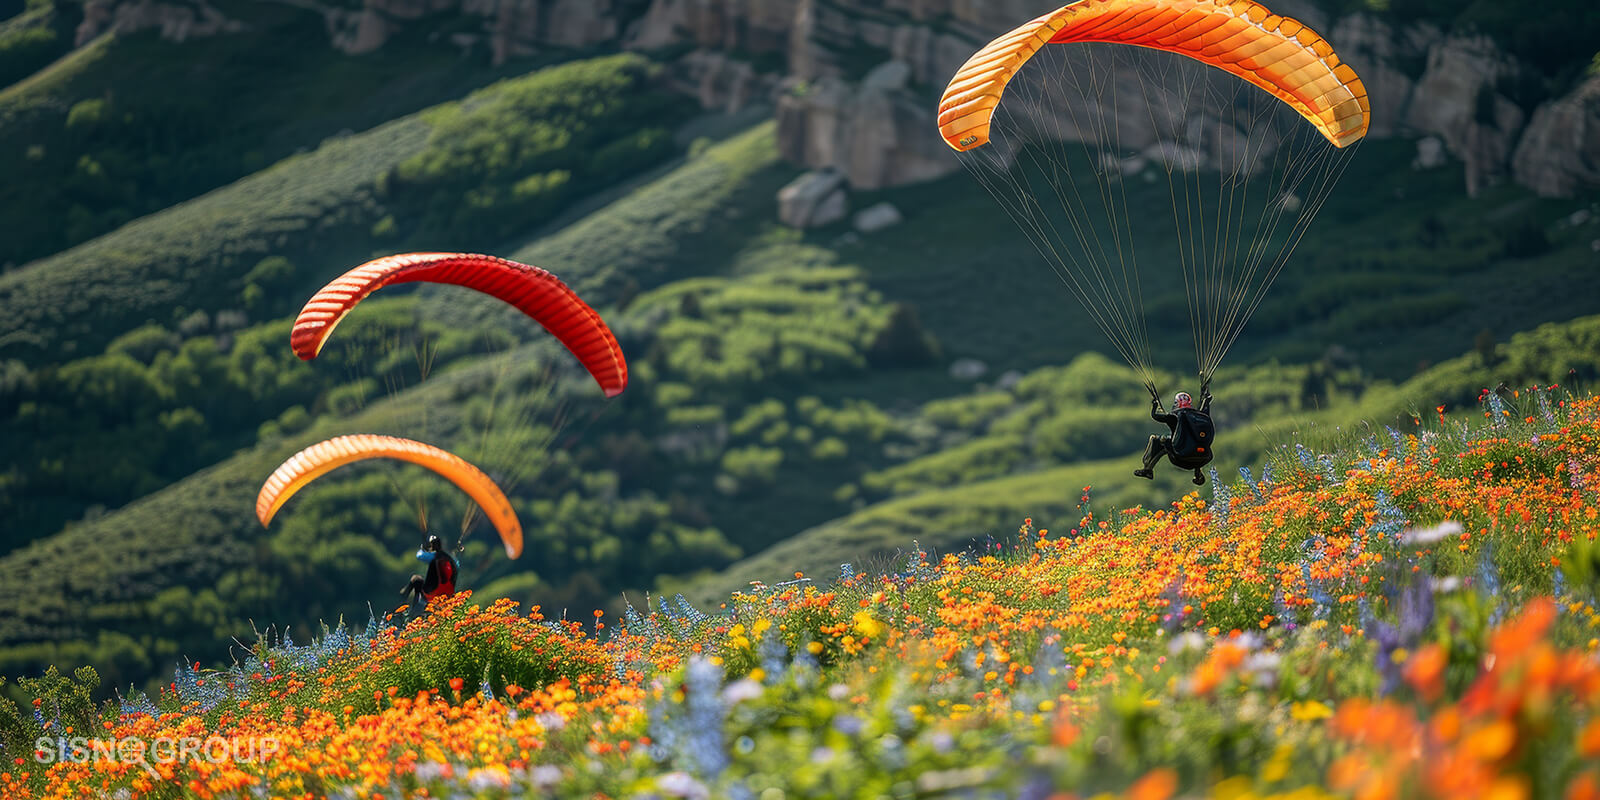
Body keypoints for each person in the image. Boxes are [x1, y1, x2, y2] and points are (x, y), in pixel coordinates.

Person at [1134, 386, 1214, 485]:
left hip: (1180, 458)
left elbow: (1155, 416)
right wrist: (1206, 399)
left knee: (1159, 440)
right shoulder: (1201, 416)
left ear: (1177, 404)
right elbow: (1206, 407)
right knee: (1194, 442)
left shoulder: (1175, 416)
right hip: (1203, 458)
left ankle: (1147, 469)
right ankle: (1197, 472)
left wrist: (1155, 404)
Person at [401, 535, 458, 606]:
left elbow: (419, 556)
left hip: (433, 593)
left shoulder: (433, 556)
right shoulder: (450, 559)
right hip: (448, 594)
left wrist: (422, 549)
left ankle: (403, 599)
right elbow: (457, 564)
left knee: (416, 579)